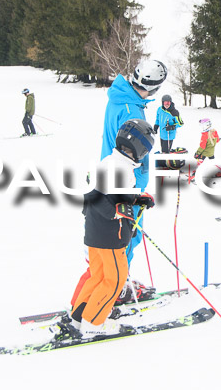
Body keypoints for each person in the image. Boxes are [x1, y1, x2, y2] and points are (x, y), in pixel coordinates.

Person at [71, 59, 167, 308]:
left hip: (113, 175)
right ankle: (111, 288)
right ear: (155, 87)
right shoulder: (130, 109)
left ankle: (113, 284)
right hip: (124, 181)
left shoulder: (123, 97)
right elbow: (133, 147)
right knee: (124, 237)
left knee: (118, 237)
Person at [70, 119, 156, 337]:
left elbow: (109, 194)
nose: (144, 155)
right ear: (137, 147)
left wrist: (137, 199)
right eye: (144, 150)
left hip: (95, 235)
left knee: (97, 277)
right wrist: (118, 211)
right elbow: (97, 198)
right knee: (115, 280)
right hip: (111, 237)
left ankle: (79, 316)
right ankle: (93, 323)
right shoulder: (120, 168)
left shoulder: (109, 161)